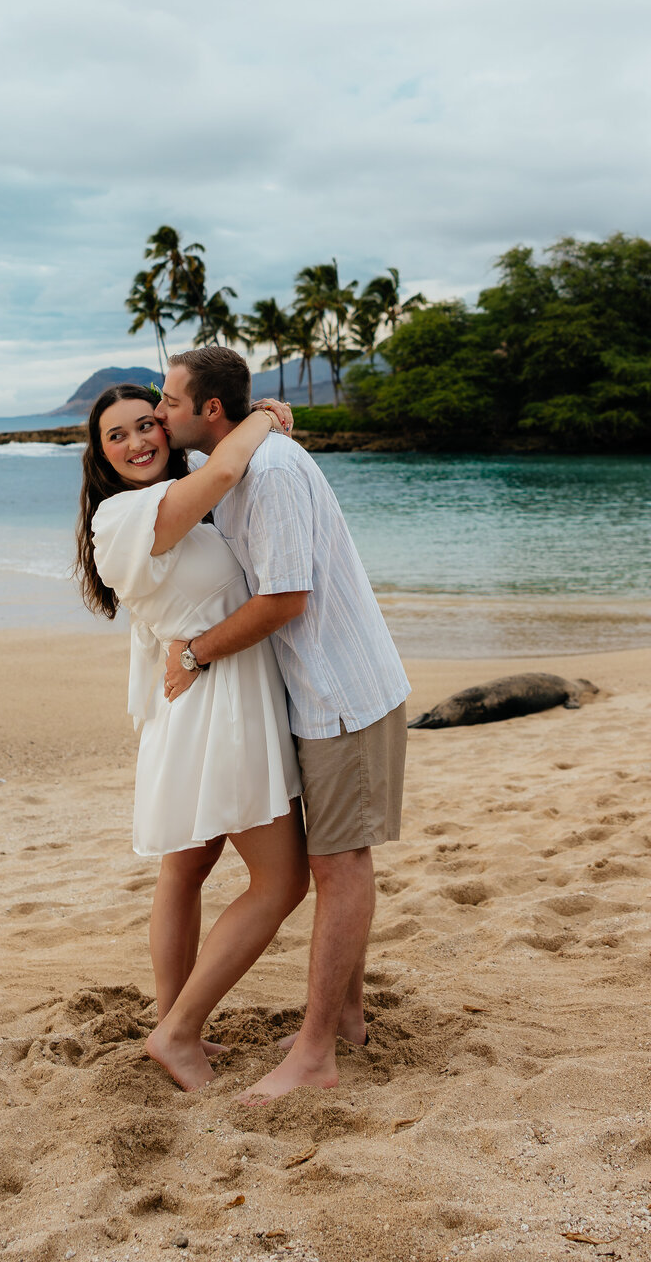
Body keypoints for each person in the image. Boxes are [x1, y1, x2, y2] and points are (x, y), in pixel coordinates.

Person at [154, 346, 409, 1104]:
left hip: (342, 692)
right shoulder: (236, 465)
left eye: (170, 401)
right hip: (308, 695)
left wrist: (194, 654)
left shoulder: (269, 474)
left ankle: (317, 1051)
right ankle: (351, 1019)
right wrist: (266, 416)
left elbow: (286, 598)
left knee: (338, 866)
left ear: (209, 410)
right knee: (336, 860)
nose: (160, 413)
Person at [75, 381, 307, 1092]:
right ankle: (177, 1032)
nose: (140, 441)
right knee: (283, 879)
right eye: (119, 435)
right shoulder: (121, 517)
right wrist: (264, 416)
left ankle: (177, 1027)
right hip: (216, 708)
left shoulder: (180, 507)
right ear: (101, 456)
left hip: (203, 697)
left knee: (186, 872)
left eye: (149, 424)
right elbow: (226, 469)